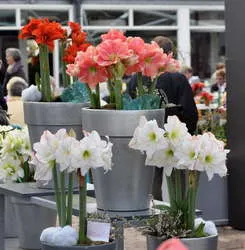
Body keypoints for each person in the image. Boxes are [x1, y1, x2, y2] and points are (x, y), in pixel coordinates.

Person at [128, 36, 198, 200]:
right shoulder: (178, 78)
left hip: (145, 137)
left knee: (151, 181)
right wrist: (190, 131)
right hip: (173, 136)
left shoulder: (136, 79)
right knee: (177, 181)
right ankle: (178, 215)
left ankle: (153, 218)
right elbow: (189, 112)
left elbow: (128, 105)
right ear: (171, 54)